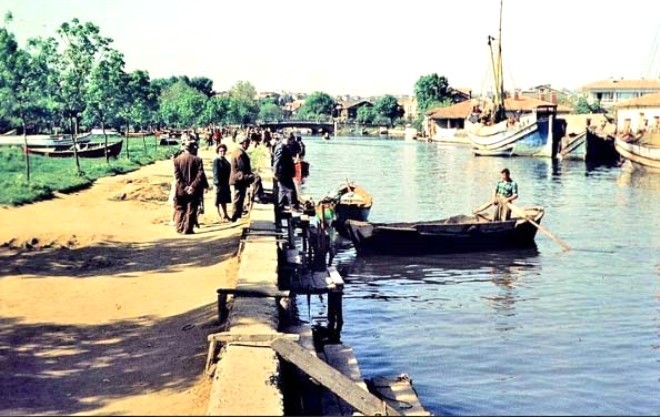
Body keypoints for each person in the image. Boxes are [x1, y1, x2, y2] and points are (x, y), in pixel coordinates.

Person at [173, 139, 205, 234]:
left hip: (180, 190)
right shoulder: (197, 159)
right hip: (193, 190)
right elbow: (200, 175)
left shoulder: (177, 160)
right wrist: (192, 186)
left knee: (180, 208)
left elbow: (177, 176)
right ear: (191, 148)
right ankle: (188, 229)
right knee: (191, 209)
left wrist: (185, 187)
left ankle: (179, 228)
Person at [229, 135, 264, 222]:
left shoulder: (237, 151)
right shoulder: (240, 153)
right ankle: (256, 196)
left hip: (239, 176)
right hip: (239, 177)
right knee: (256, 178)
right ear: (243, 143)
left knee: (240, 196)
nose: (248, 145)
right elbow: (242, 167)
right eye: (247, 143)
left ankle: (237, 215)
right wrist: (250, 175)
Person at [272, 132, 297, 213]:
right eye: (291, 141)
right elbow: (277, 161)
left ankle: (280, 206)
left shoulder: (283, 147)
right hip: (283, 172)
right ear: (287, 139)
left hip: (284, 172)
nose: (291, 143)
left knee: (282, 190)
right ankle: (293, 206)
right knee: (290, 189)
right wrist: (275, 172)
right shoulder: (281, 148)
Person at [212, 143, 232, 222]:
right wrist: (217, 184)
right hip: (219, 184)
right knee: (217, 200)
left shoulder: (225, 161)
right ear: (218, 152)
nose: (222, 152)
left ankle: (225, 214)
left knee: (224, 200)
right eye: (220, 151)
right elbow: (215, 173)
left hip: (225, 183)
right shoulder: (217, 161)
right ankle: (218, 215)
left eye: (223, 151)